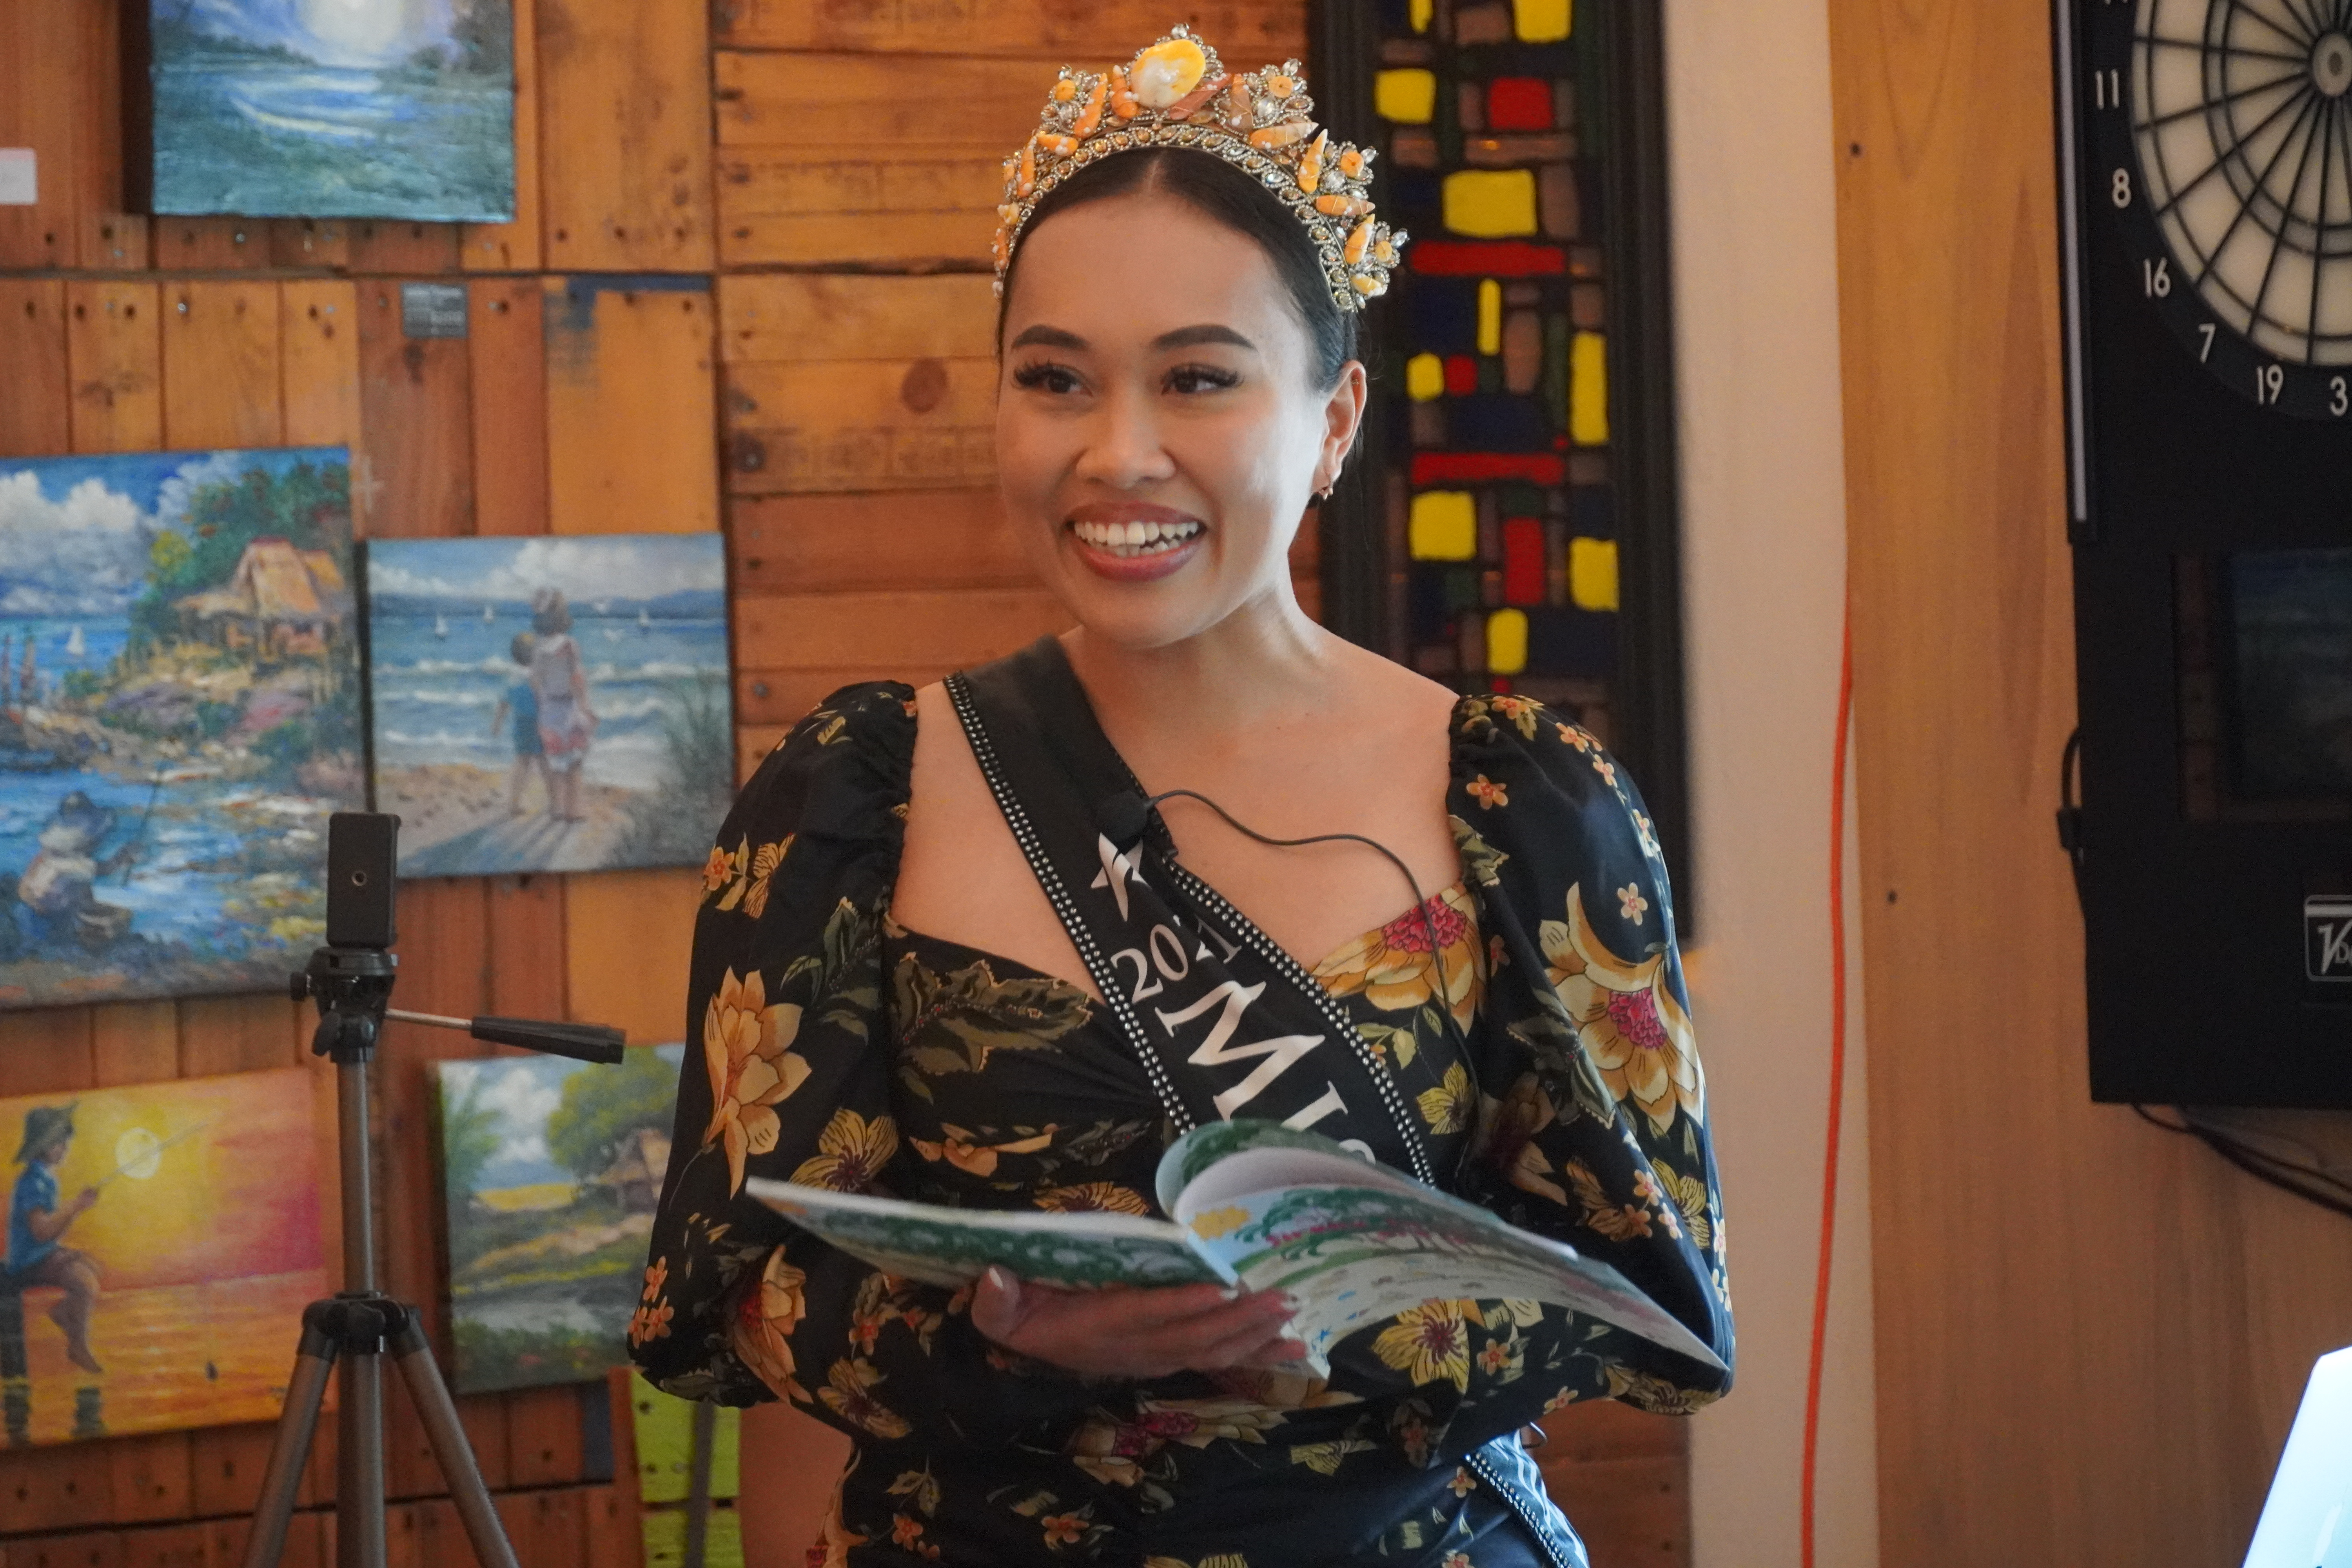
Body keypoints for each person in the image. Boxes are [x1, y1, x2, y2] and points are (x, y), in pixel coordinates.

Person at [632, 27, 1732, 1568]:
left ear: (1334, 422)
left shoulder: (1521, 802)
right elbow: (730, 1288)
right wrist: (1015, 1343)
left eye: (1199, 379)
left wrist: (1341, 1328)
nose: (1118, 453)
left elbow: (1654, 1300)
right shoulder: (854, 790)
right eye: (1055, 379)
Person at [7, 1104, 103, 1375]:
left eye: (65, 1141)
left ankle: (63, 1314)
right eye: (58, 1142)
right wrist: (74, 1208)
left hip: (43, 1252)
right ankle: (78, 1346)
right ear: (42, 1145)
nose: (64, 1147)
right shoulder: (33, 1183)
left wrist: (77, 1208)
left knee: (94, 1269)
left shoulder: (46, 1180)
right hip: (28, 1260)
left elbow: (53, 1233)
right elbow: (41, 1232)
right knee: (85, 1284)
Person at [16, 792, 138, 951]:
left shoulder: (46, 856)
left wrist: (32, 899)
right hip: (54, 915)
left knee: (81, 892)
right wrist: (124, 856)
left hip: (33, 911)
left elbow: (25, 888)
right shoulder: (73, 863)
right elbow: (105, 869)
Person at [526, 590, 595, 823]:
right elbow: (577, 679)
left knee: (555, 764)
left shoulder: (538, 648)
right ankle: (573, 811)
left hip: (548, 711)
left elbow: (535, 681)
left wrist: (542, 705)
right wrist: (586, 707)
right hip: (568, 708)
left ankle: (556, 808)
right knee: (574, 762)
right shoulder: (569, 645)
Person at [487, 631, 545, 816]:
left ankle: (514, 803)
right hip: (539, 723)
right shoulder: (537, 676)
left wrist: (497, 724)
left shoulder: (512, 678)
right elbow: (544, 700)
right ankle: (554, 801)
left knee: (522, 763)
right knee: (545, 762)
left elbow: (504, 704)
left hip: (521, 725)